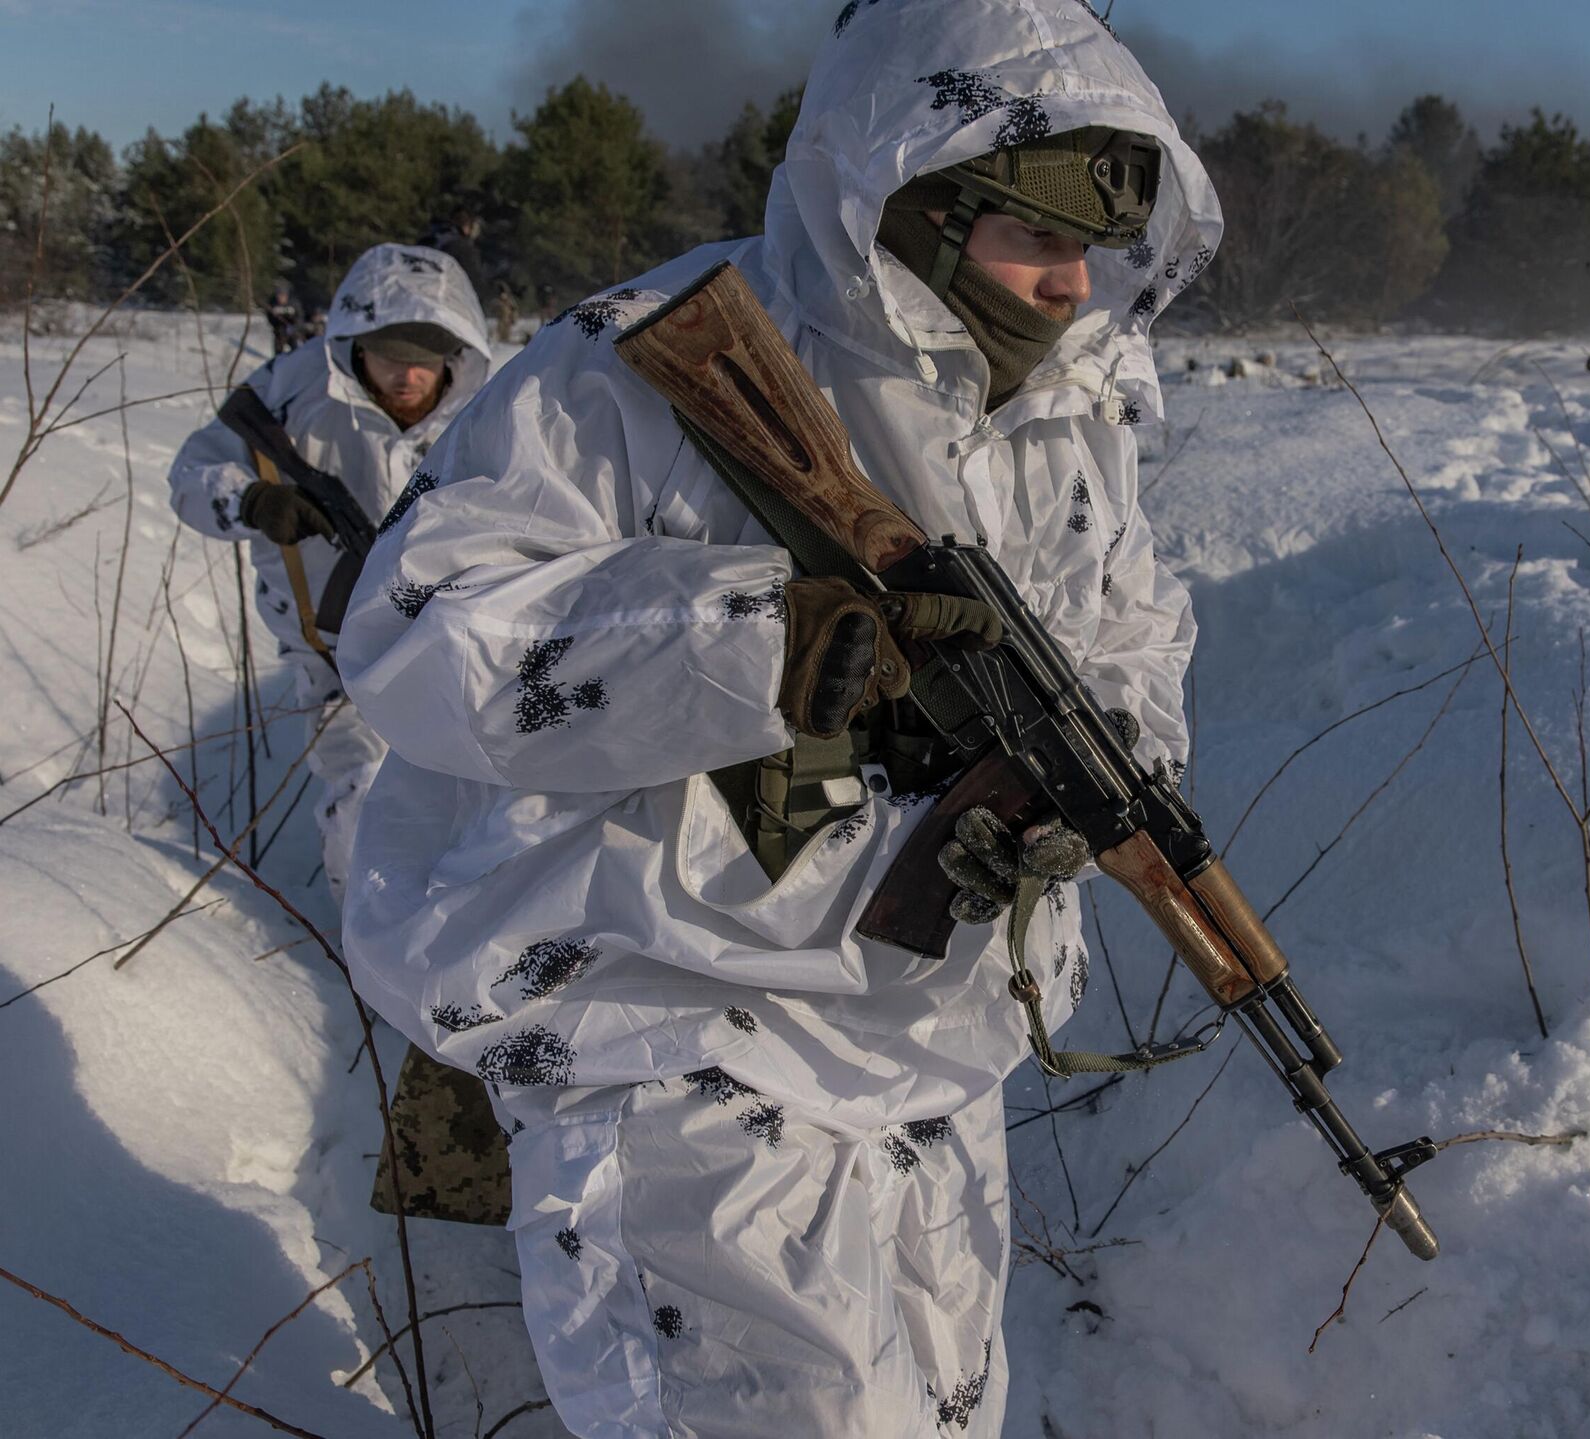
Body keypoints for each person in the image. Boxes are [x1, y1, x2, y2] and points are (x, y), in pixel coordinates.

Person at [338, 2, 1219, 1434]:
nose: (1073, 283)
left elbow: (1128, 618)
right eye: (1038, 232)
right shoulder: (639, 365)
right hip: (676, 1029)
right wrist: (765, 641)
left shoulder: (1075, 406)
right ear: (916, 196)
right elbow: (422, 630)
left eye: (1101, 242)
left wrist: (1098, 771)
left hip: (934, 1046)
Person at [169, 242, 491, 898]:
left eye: (425, 359)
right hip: (335, 661)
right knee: (364, 809)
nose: (407, 376)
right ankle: (369, 969)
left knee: (492, 819)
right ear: (354, 343)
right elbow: (191, 472)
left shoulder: (490, 412)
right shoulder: (291, 396)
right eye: (390, 355)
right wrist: (253, 501)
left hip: (460, 652)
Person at [264, 281, 301, 355]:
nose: (280, 298)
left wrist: (295, 326)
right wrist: (274, 319)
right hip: (279, 331)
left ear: (286, 295)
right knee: (278, 351)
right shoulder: (272, 303)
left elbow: (300, 316)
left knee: (295, 351)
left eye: (282, 295)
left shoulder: (294, 303)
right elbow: (270, 318)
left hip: (292, 331)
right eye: (278, 295)